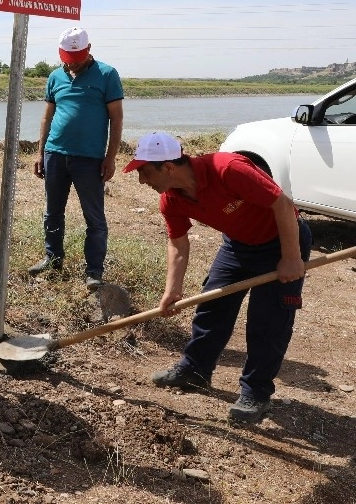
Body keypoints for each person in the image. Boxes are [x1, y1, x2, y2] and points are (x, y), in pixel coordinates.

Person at [123, 131, 312, 423]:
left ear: (168, 167)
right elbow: (178, 243)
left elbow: (283, 205)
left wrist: (290, 257)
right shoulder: (171, 200)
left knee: (268, 321)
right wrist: (172, 290)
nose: (142, 180)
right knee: (212, 307)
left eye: (145, 172)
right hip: (238, 245)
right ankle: (195, 369)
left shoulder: (228, 169)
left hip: (281, 240)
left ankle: (256, 393)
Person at [30, 27, 124, 289]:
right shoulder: (55, 76)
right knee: (52, 212)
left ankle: (93, 270)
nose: (71, 62)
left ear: (89, 49)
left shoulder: (107, 74)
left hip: (90, 159)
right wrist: (40, 152)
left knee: (94, 218)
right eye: (67, 56)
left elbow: (116, 118)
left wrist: (111, 157)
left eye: (77, 56)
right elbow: (47, 116)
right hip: (55, 154)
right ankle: (53, 258)